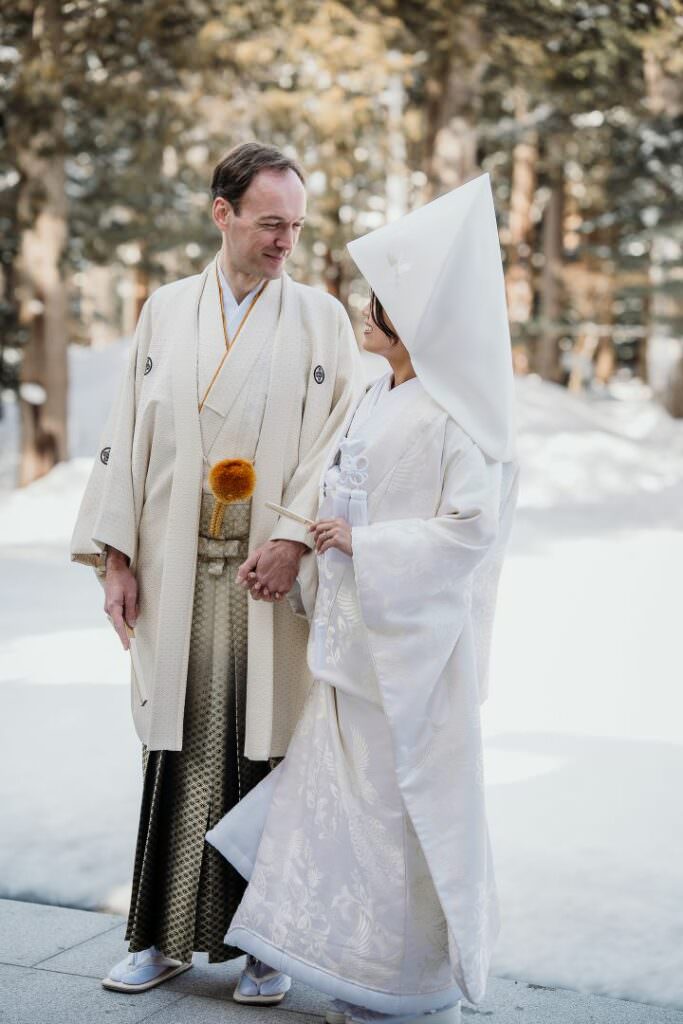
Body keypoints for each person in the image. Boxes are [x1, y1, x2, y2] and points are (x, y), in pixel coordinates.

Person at [207, 173, 519, 1023]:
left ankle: (407, 981)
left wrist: (367, 544)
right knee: (342, 814)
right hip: (353, 639)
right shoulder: (377, 394)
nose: (365, 315)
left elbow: (469, 530)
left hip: (409, 653)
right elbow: (341, 485)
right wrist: (310, 540)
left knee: (399, 812)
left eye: (380, 305)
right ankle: (350, 965)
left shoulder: (459, 419)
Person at [70, 142, 364, 998]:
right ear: (222, 213)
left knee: (266, 743)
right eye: (270, 223)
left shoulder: (321, 320)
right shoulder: (165, 311)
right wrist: (115, 559)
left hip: (269, 573)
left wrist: (291, 538)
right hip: (174, 562)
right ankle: (158, 934)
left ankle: (267, 942)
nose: (285, 241)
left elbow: (337, 444)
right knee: (177, 745)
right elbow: (128, 436)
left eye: (296, 226)